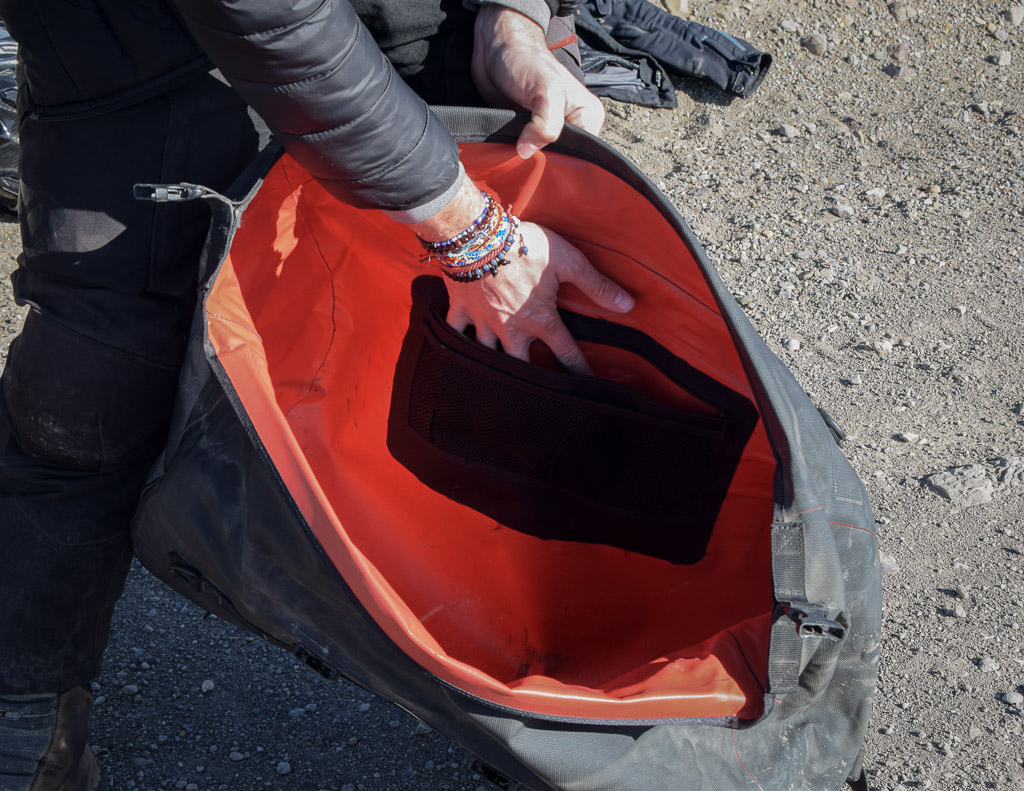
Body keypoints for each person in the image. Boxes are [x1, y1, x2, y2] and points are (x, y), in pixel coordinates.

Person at [0, 0, 635, 789]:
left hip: (418, 22)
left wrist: (516, 16)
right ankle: (27, 718)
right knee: (87, 395)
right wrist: (469, 229)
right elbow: (267, 16)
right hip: (141, 58)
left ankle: (559, 683)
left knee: (528, 324)